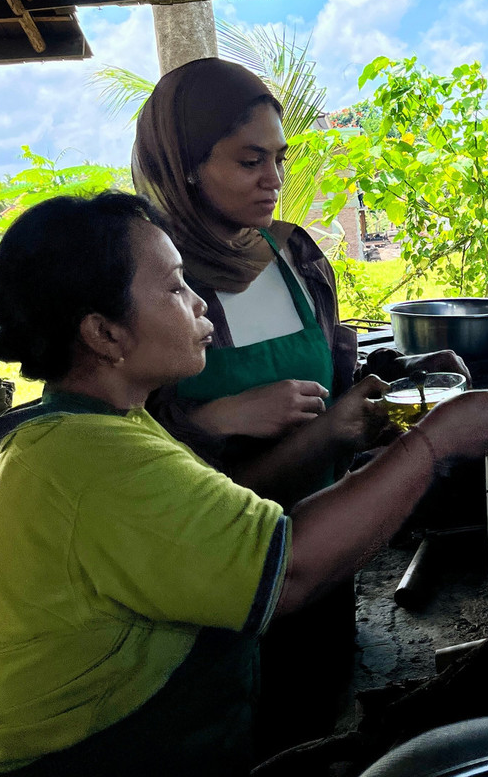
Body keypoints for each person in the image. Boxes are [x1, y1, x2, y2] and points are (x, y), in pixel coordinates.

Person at [0, 193, 488, 777]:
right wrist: (432, 444)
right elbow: (290, 566)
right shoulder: (88, 460)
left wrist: (372, 443)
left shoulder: (108, 426)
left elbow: (247, 531)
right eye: (175, 287)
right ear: (104, 334)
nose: (199, 305)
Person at [131, 57, 468, 749]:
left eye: (279, 159)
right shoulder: (149, 289)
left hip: (322, 551)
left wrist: (399, 377)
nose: (274, 181)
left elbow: (337, 382)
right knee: (233, 740)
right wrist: (213, 419)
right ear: (183, 163)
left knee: (311, 723)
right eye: (250, 160)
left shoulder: (294, 256)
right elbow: (126, 448)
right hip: (212, 589)